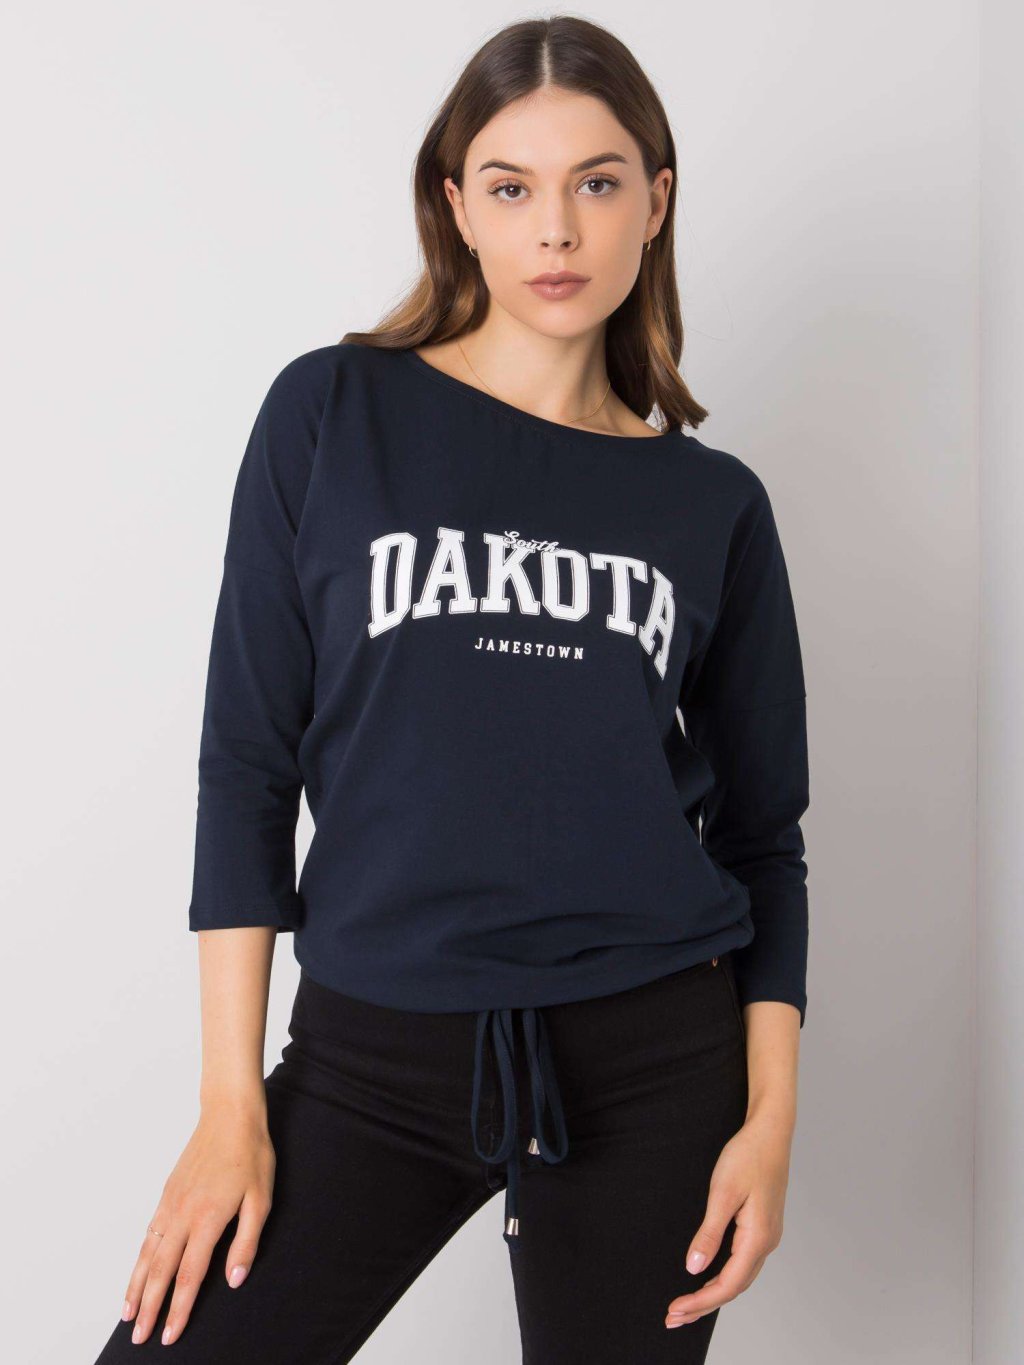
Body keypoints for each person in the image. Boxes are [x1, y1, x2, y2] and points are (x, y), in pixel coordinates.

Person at [94, 14, 809, 1363]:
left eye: (599, 182)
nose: (558, 229)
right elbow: (247, 766)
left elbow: (764, 840)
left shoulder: (710, 504)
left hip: (655, 1064)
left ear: (656, 201)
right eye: (512, 186)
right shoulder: (332, 414)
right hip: (372, 1057)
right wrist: (229, 1106)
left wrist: (769, 1123)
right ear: (457, 206)